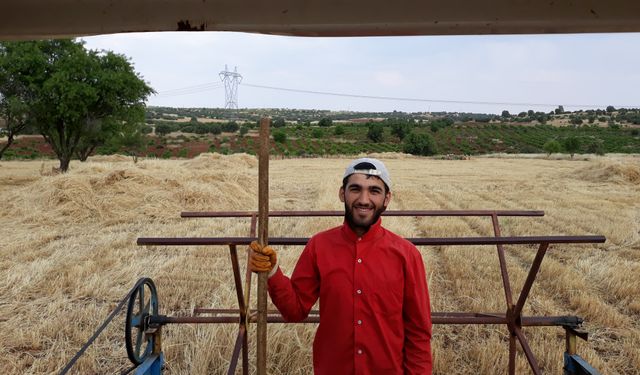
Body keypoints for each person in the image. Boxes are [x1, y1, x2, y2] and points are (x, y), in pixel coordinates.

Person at [250, 157, 432, 375]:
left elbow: (418, 333)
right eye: (355, 189)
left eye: (374, 191)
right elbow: (295, 310)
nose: (364, 199)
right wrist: (272, 273)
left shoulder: (406, 255)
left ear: (387, 199)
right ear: (341, 193)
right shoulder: (319, 246)